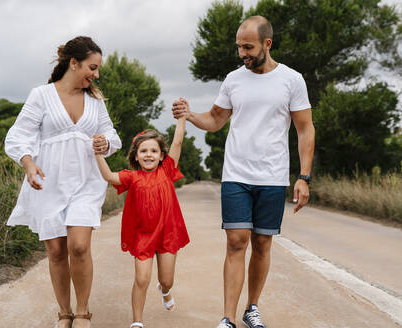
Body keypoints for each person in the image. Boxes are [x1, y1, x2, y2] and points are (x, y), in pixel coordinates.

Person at [173, 16, 315, 328]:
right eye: (239, 47)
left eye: (248, 47)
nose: (242, 53)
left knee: (262, 244)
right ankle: (227, 318)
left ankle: (252, 308)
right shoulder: (234, 80)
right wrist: (190, 115)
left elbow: (305, 130)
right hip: (236, 174)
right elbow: (215, 119)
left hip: (273, 177)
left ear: (267, 43)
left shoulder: (292, 80)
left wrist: (303, 177)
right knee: (237, 241)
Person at [4, 36, 121, 328]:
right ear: (73, 63)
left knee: (79, 246)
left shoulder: (95, 101)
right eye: (92, 68)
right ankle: (64, 313)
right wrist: (28, 163)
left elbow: (114, 137)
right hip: (48, 182)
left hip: (86, 182)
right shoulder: (41, 95)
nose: (96, 75)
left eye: (97, 69)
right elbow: (17, 136)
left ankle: (82, 312)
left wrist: (104, 141)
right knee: (56, 251)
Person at [93, 116, 190, 328]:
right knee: (142, 279)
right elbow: (109, 176)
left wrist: (182, 119)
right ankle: (137, 321)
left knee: (167, 280)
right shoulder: (131, 177)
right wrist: (98, 154)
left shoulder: (167, 170)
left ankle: (164, 291)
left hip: (168, 234)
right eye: (143, 151)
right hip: (143, 236)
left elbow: (177, 142)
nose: (149, 155)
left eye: (154, 151)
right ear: (136, 156)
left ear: (162, 156)